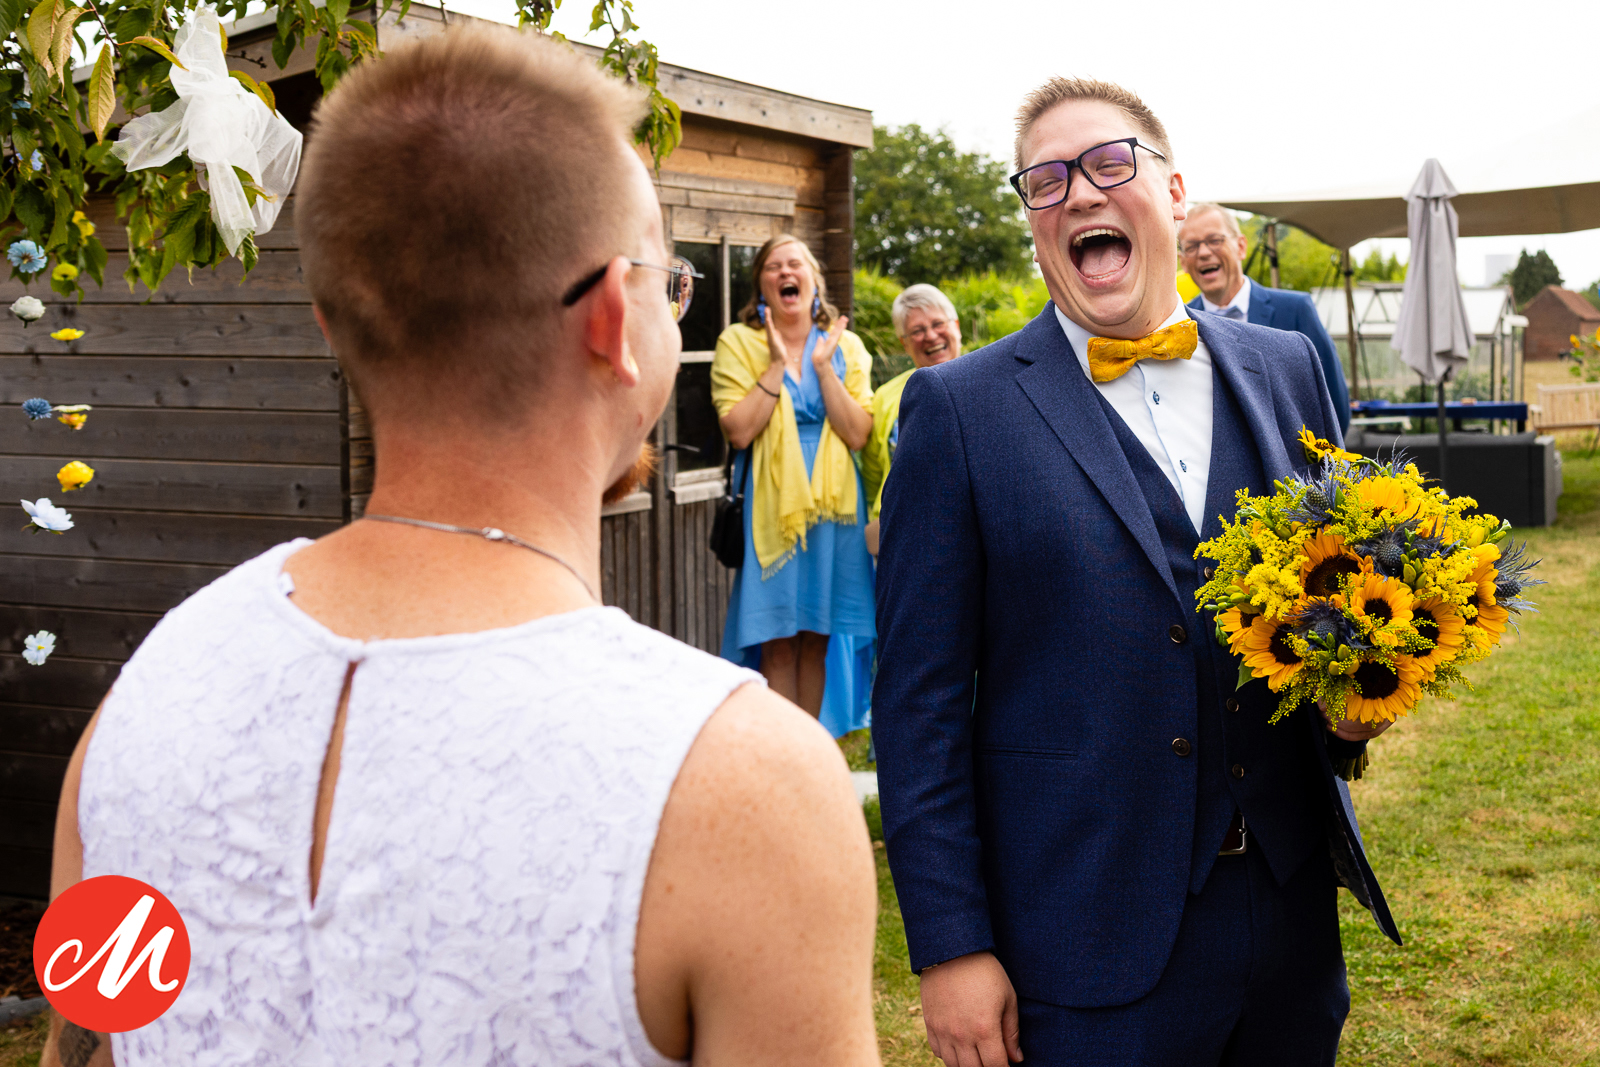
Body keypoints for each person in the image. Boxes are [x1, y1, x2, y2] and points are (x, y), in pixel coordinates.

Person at [42, 26, 878, 1067]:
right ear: (612, 318)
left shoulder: (141, 702)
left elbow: (84, 1049)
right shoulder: (744, 785)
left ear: (332, 325)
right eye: (670, 283)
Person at [873, 76, 1400, 1067]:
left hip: (1289, 918)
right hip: (1085, 939)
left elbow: (1337, 597)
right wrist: (950, 944)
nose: (1078, 191)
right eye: (1046, 180)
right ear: (1035, 222)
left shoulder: (1285, 367)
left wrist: (1351, 709)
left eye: (1109, 163)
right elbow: (918, 705)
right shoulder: (957, 412)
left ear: (1173, 192)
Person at [712, 235, 877, 738]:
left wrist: (823, 369)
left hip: (835, 510)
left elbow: (858, 433)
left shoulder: (845, 346)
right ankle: (780, 753)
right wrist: (777, 364)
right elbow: (739, 431)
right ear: (762, 284)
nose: (786, 272)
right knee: (778, 640)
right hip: (772, 506)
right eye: (774, 266)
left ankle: (812, 751)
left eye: (795, 264)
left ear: (813, 281)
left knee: (818, 638)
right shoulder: (738, 342)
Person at [1180, 203, 1352, 433]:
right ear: (1183, 262)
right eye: (1191, 246)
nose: (1203, 252)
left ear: (1241, 247)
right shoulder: (1180, 325)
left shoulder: (1295, 310)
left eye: (1214, 240)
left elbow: (1333, 404)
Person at [861, 284, 963, 555]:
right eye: (917, 331)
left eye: (938, 324)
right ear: (904, 343)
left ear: (956, 326)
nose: (930, 336)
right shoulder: (885, 396)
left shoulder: (989, 382)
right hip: (899, 539)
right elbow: (872, 473)